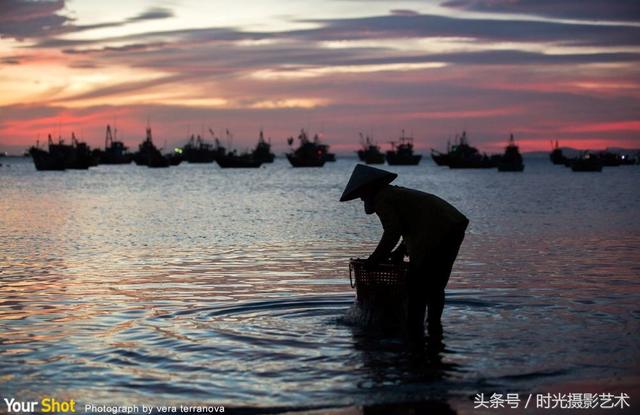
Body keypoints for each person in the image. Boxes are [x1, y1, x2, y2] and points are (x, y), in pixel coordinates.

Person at [340, 164, 469, 337]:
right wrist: (401, 250)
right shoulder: (393, 194)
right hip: (451, 225)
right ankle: (433, 329)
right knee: (434, 285)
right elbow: (411, 225)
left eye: (362, 195)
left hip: (440, 229)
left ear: (369, 188)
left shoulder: (382, 198)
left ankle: (417, 330)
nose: (362, 199)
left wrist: (375, 259)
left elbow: (392, 232)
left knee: (419, 285)